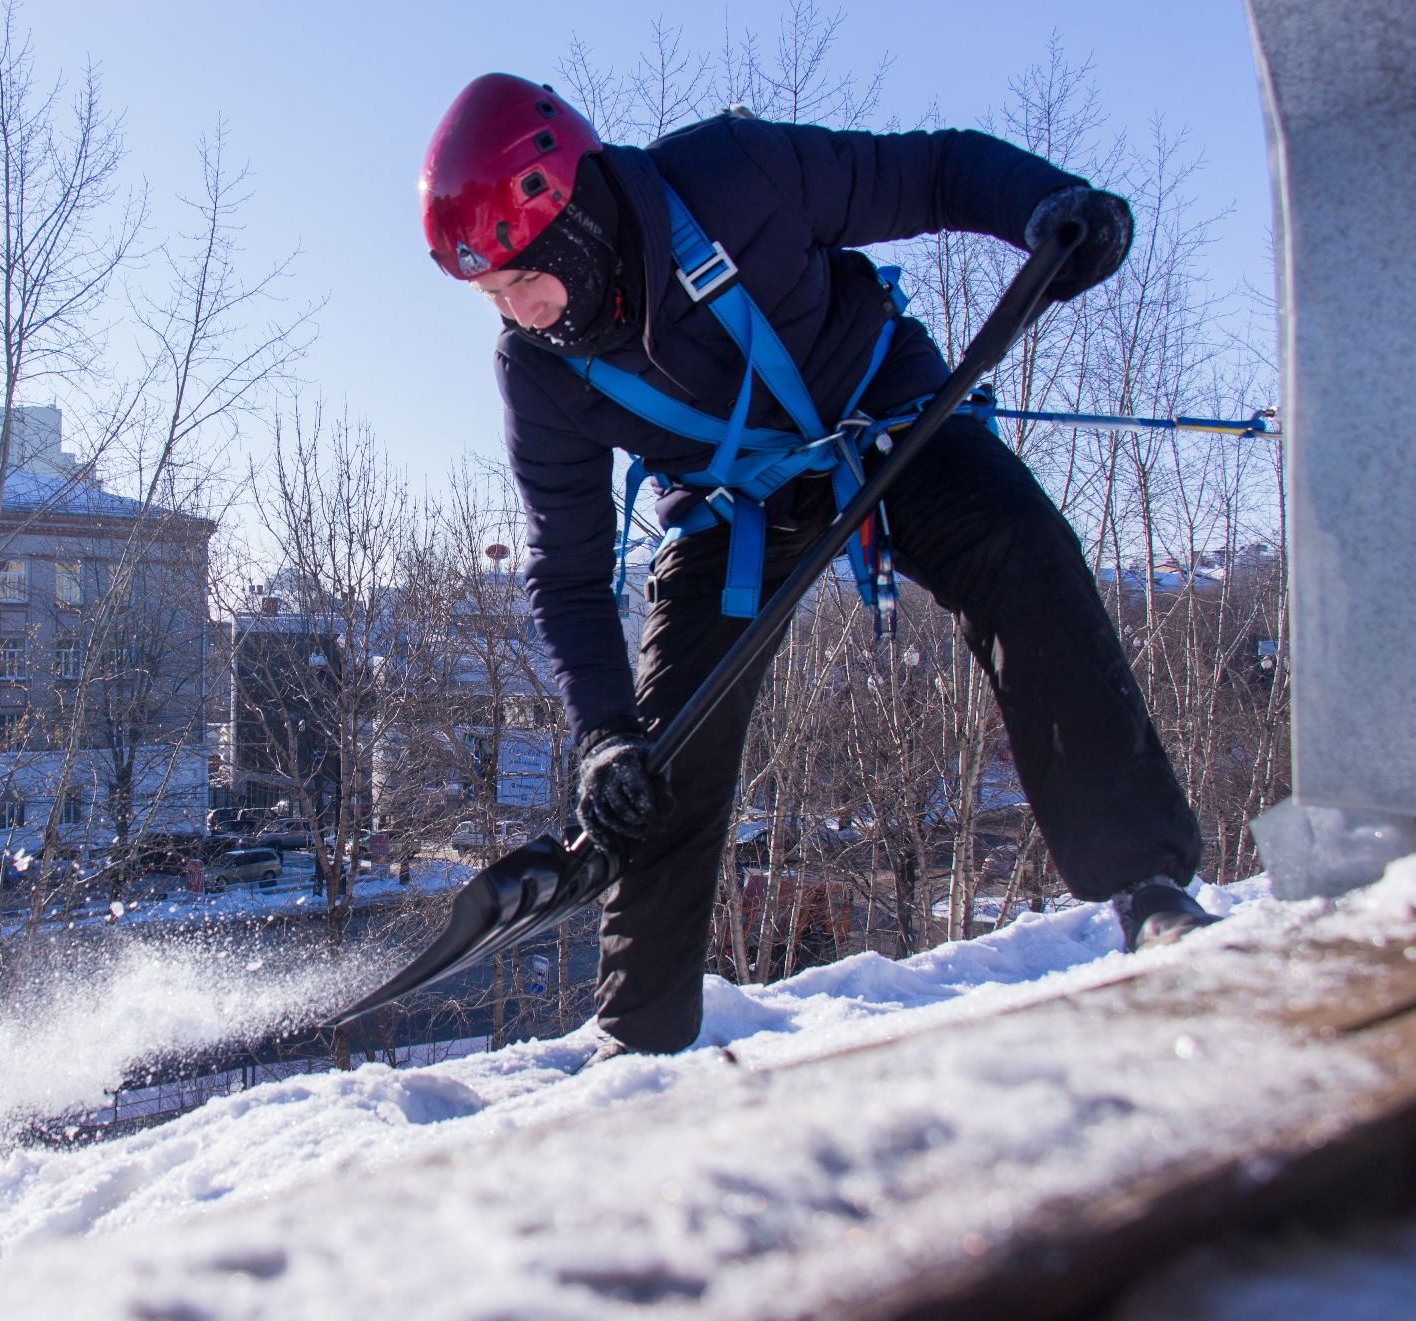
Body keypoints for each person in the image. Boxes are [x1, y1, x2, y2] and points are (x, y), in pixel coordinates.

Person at [420, 74, 1216, 1060]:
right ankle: (639, 1037)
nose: (516, 310)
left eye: (521, 278)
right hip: (729, 504)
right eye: (490, 295)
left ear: (577, 223)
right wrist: (602, 738)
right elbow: (568, 570)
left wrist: (1043, 209)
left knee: (1018, 548)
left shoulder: (735, 176)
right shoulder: (536, 368)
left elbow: (934, 173)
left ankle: (1146, 886)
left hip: (877, 418)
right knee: (661, 753)